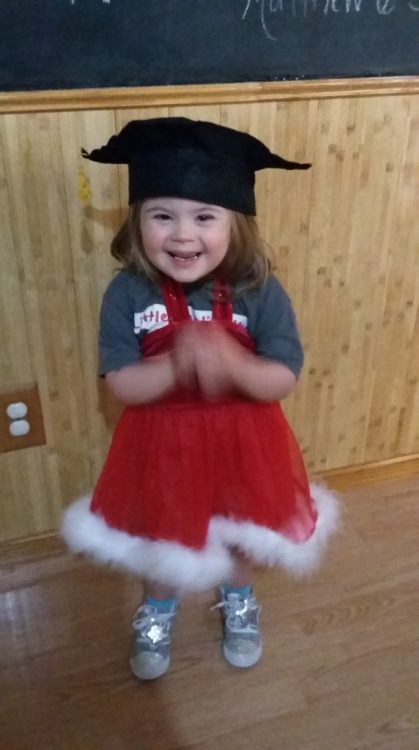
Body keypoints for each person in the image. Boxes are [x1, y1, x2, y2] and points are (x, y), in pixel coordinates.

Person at [61, 117, 339, 681]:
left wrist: (232, 363)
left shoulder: (259, 291)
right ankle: (157, 610)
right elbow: (121, 382)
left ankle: (237, 602)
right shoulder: (126, 293)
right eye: (162, 215)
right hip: (161, 450)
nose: (183, 235)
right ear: (138, 223)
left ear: (235, 225)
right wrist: (176, 365)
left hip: (246, 450)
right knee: (162, 540)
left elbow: (282, 376)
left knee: (238, 537)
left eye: (204, 217)